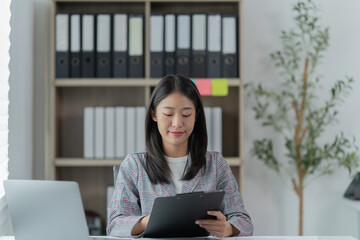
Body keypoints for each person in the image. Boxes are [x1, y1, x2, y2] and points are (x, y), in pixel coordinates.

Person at [107, 74, 254, 237]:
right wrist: (151, 220)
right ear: (154, 114)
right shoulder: (134, 165)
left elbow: (244, 222)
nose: (177, 123)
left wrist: (227, 228)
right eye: (168, 114)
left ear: (196, 115)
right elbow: (115, 225)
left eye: (186, 115)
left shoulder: (215, 164)